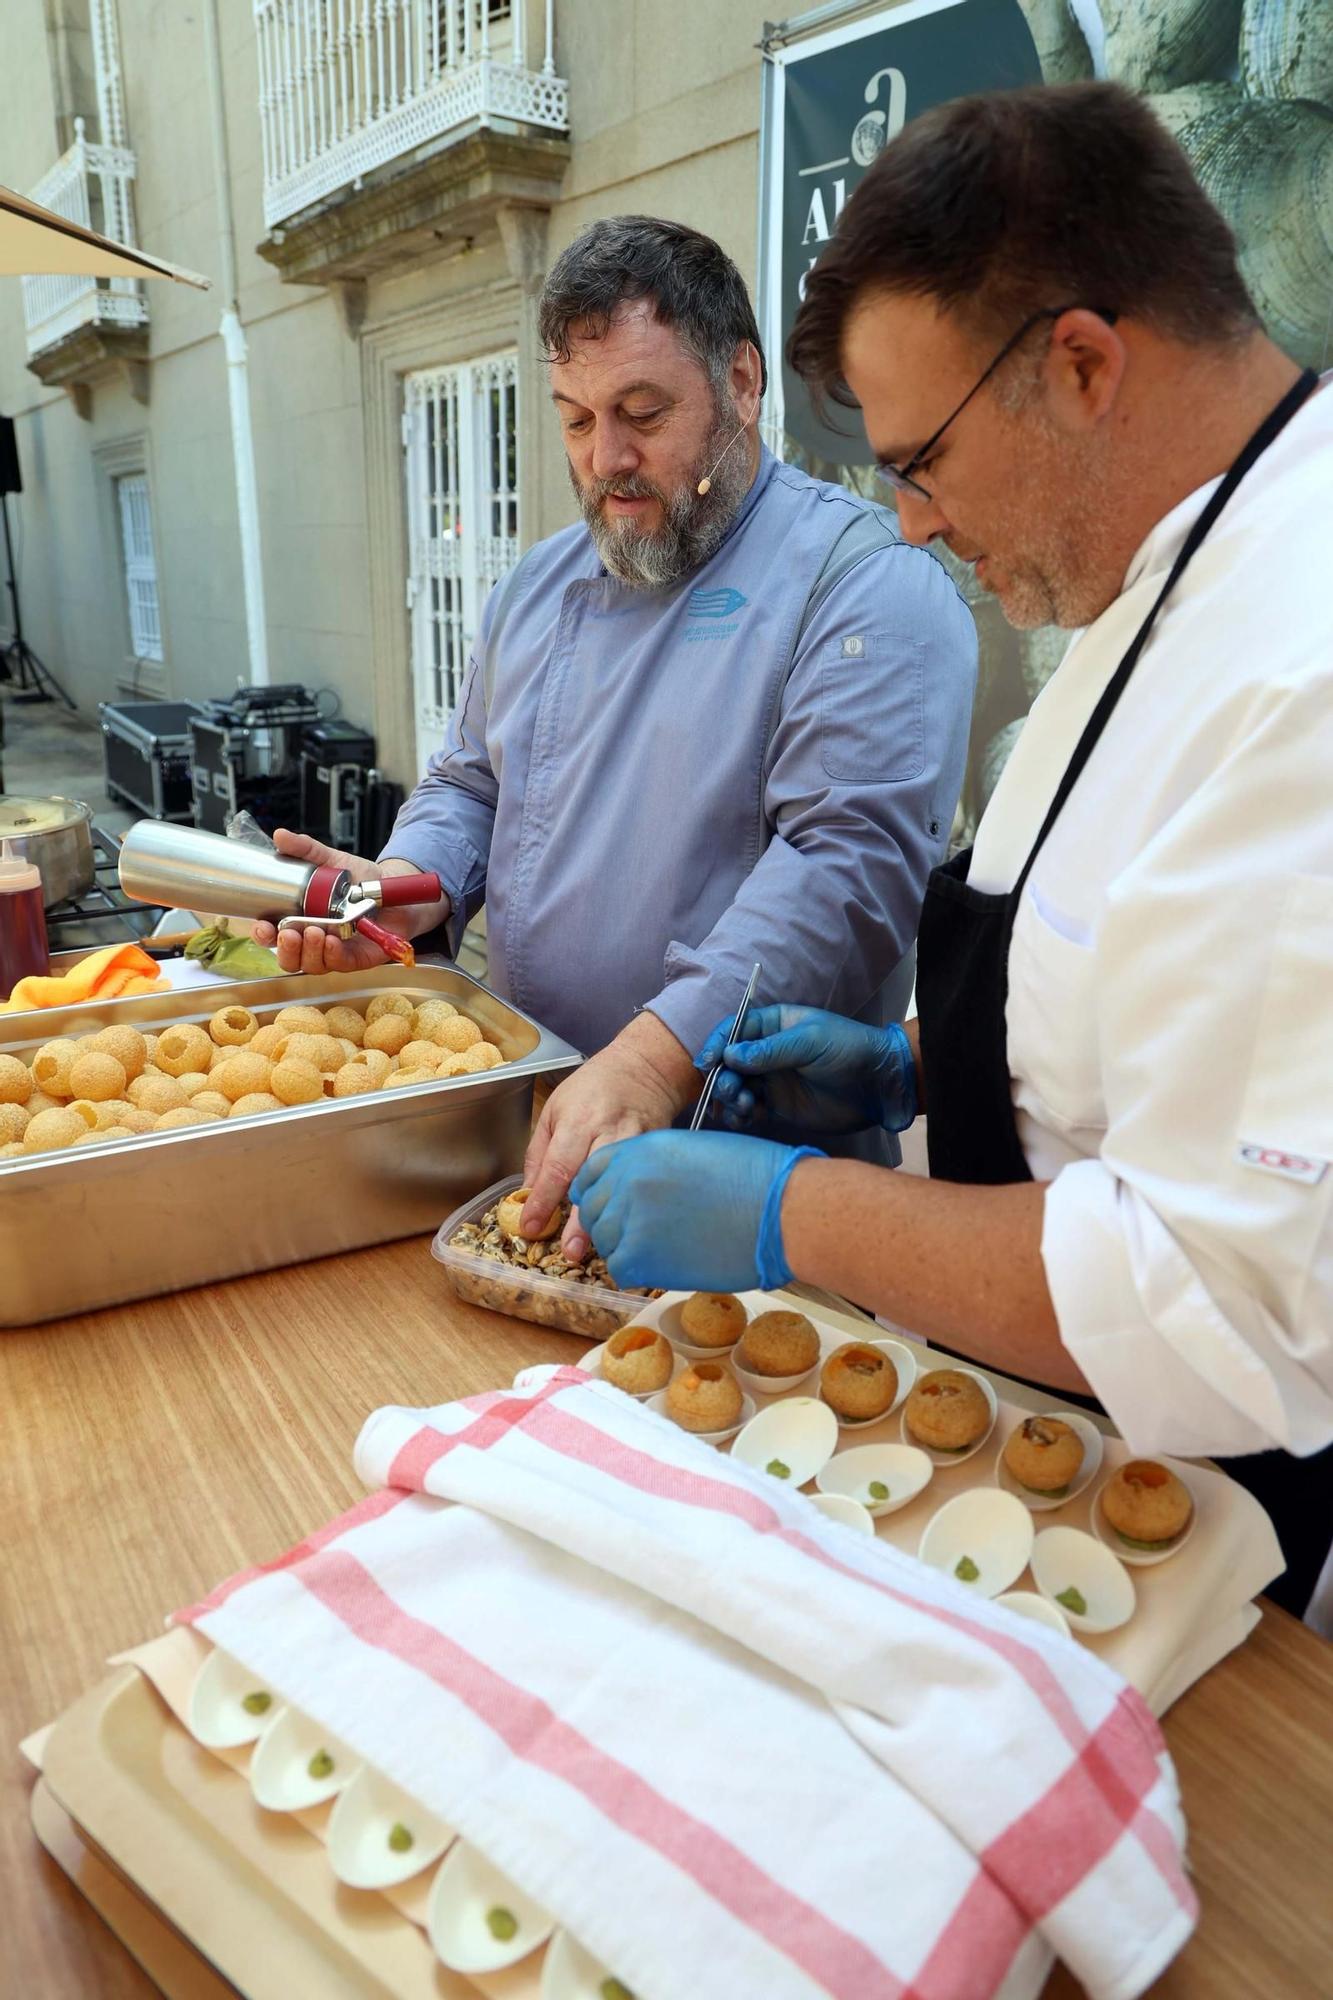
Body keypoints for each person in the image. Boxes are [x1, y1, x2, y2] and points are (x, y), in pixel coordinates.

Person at [567, 87, 1333, 1619]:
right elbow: (1145, 994)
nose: (911, 528)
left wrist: (792, 1211)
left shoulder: (1302, 652)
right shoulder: (1156, 575)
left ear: (1081, 364)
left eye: (921, 460)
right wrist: (923, 1064)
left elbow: (1223, 1299)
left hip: (1205, 1550)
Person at [259, 216, 977, 1258]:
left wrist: (649, 1061)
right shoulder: (536, 584)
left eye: (643, 412)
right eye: (575, 419)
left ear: (740, 381)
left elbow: (845, 866)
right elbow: (468, 781)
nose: (608, 457)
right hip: (507, 1137)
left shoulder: (863, 587)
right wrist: (403, 886)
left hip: (743, 1185)